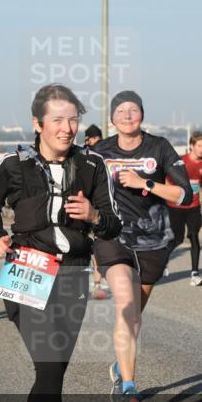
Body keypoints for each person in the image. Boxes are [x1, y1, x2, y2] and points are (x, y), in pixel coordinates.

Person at [0, 83, 121, 402]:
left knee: (51, 372)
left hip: (73, 273)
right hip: (27, 270)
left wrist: (94, 216)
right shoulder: (14, 164)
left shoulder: (93, 165)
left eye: (73, 119)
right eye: (58, 120)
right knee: (50, 367)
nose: (68, 127)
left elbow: (112, 223)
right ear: (38, 124)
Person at [93, 91, 193, 402]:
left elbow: (182, 194)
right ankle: (129, 386)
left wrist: (145, 184)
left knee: (135, 316)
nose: (126, 115)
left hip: (153, 240)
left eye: (133, 110)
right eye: (120, 110)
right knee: (125, 301)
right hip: (113, 235)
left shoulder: (160, 147)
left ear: (142, 115)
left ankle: (118, 366)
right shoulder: (98, 152)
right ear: (112, 119)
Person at [167, 131, 202, 287]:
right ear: (191, 146)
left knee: (194, 236)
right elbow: (167, 181)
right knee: (177, 239)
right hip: (176, 206)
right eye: (199, 145)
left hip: (193, 206)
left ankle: (195, 274)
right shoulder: (180, 162)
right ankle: (161, 262)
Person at [83, 123, 107, 299]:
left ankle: (97, 285)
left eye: (99, 139)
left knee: (97, 248)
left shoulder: (105, 153)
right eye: (94, 139)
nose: (97, 142)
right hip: (82, 207)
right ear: (88, 140)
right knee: (83, 248)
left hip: (98, 208)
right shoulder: (80, 155)